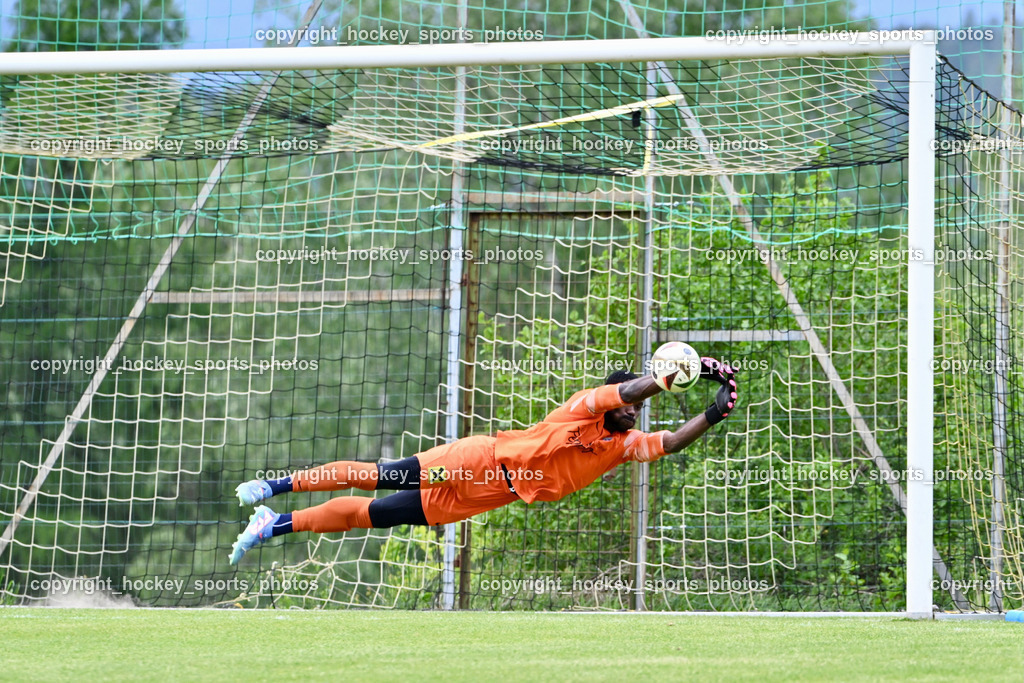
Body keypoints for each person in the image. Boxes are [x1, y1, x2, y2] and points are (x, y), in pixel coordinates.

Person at [228, 357, 737, 565]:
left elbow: (668, 443)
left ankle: (273, 525)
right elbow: (626, 388)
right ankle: (276, 486)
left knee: (372, 515)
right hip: (479, 462)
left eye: (639, 407)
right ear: (612, 396)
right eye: (630, 402)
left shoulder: (622, 445)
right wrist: (673, 371)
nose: (634, 409)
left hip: (493, 493)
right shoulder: (587, 405)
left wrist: (713, 412)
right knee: (378, 476)